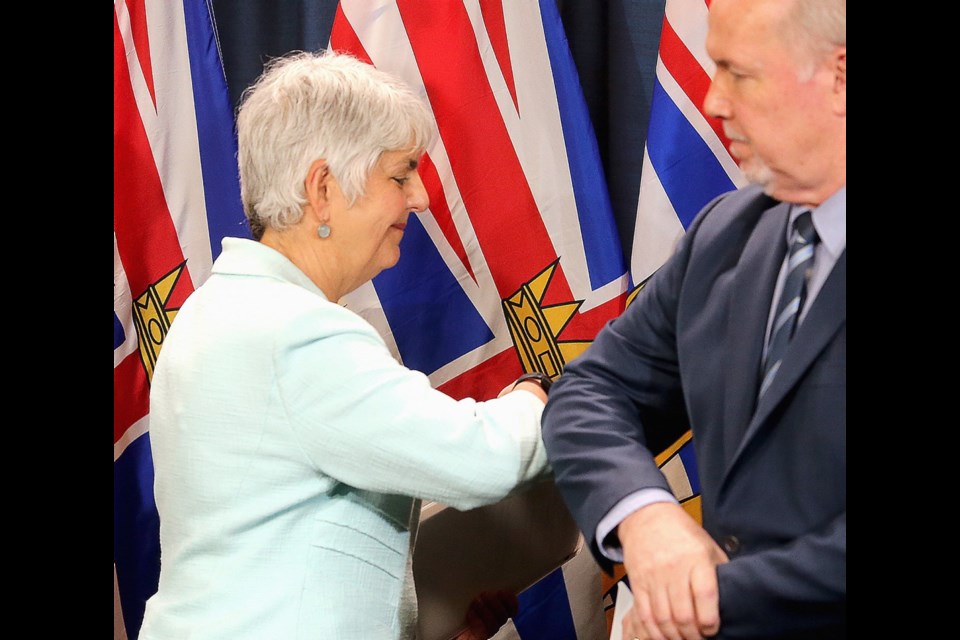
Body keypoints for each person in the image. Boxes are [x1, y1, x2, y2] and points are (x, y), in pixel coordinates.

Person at [139, 50, 555, 640]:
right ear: (324, 188)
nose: (420, 198)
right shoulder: (292, 331)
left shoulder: (214, 310)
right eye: (400, 174)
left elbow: (282, 540)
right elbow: (484, 459)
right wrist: (545, 396)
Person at [540, 0, 845, 638]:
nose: (711, 101)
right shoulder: (726, 235)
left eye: (738, 73)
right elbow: (590, 394)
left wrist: (701, 599)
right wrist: (645, 516)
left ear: (839, 78)